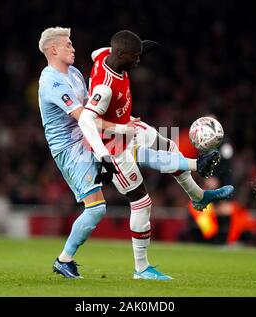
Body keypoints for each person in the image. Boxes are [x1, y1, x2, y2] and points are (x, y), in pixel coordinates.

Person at [37, 27, 231, 279]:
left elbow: (104, 52)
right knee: (116, 204)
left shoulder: (84, 66)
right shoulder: (57, 82)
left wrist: (138, 48)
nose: (74, 48)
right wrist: (114, 141)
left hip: (113, 131)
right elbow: (86, 120)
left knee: (168, 145)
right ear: (53, 50)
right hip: (84, 147)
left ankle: (198, 195)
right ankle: (119, 266)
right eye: (68, 45)